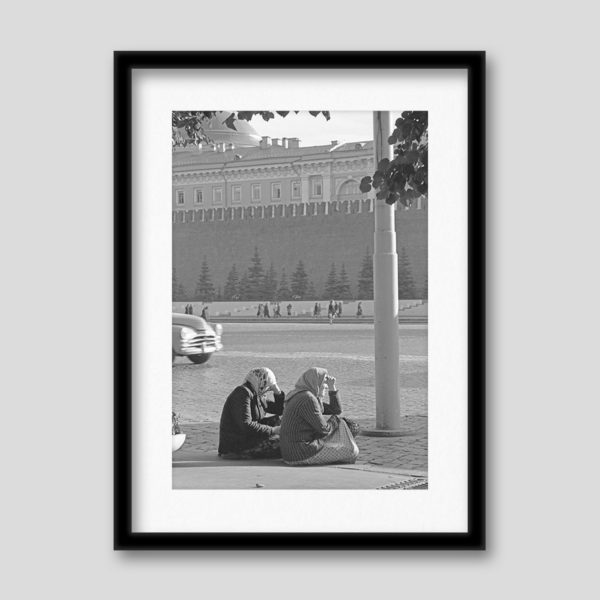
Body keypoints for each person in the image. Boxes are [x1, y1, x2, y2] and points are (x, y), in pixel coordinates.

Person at [280, 367, 359, 466]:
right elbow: (324, 429)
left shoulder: (299, 395)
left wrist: (331, 388)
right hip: (301, 453)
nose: (325, 386)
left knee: (341, 424)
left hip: (291, 453)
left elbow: (336, 410)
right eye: (323, 382)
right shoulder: (308, 399)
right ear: (315, 383)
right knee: (351, 451)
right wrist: (336, 420)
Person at [218, 368, 285, 459]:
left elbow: (279, 410)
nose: (267, 389)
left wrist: (277, 391)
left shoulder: (257, 395)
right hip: (235, 446)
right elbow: (246, 425)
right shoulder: (242, 393)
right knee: (283, 446)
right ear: (261, 383)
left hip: (246, 437)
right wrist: (273, 430)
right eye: (268, 387)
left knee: (279, 420)